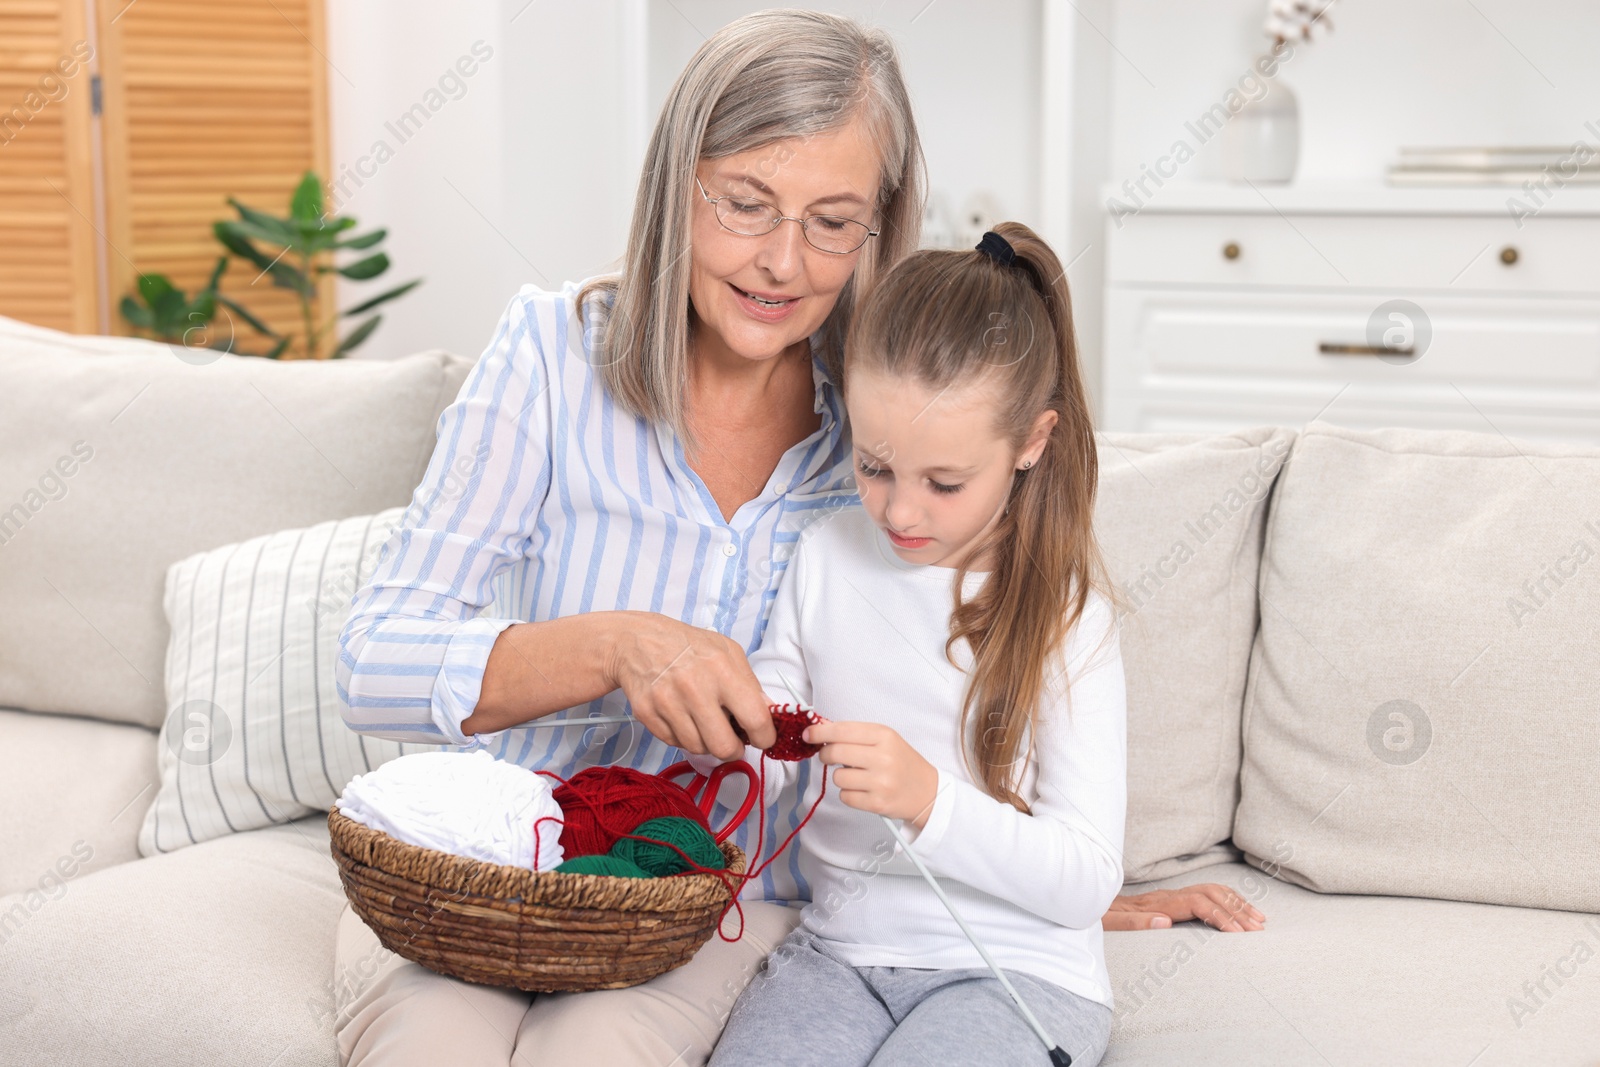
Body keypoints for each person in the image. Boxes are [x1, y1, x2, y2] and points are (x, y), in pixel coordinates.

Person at [332, 11, 1259, 1067]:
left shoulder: (882, 428)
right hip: (498, 873)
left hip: (712, 906)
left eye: (833, 221)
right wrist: (617, 645)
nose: (781, 260)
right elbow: (370, 660)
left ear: (880, 226)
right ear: (677, 184)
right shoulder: (549, 356)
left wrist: (1060, 898)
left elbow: (943, 698)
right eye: (744, 204)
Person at [702, 223, 1119, 1066]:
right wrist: (745, 733)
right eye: (874, 465)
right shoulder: (825, 556)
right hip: (837, 956)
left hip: (1018, 974)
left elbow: (1085, 876)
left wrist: (931, 798)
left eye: (944, 482)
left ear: (1032, 443)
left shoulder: (1066, 617)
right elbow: (779, 706)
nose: (898, 512)